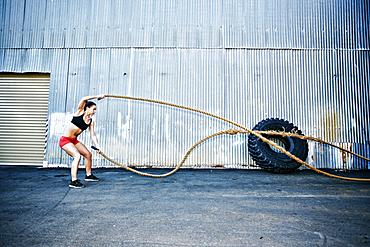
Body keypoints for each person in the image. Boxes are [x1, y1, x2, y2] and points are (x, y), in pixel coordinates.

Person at [59, 95, 105, 188]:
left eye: (95, 109)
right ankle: (73, 181)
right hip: (65, 140)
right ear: (87, 108)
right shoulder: (79, 112)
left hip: (74, 141)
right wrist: (98, 96)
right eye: (93, 109)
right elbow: (84, 98)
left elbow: (93, 135)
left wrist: (98, 146)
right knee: (77, 156)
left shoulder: (91, 121)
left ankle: (88, 175)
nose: (94, 111)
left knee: (88, 155)